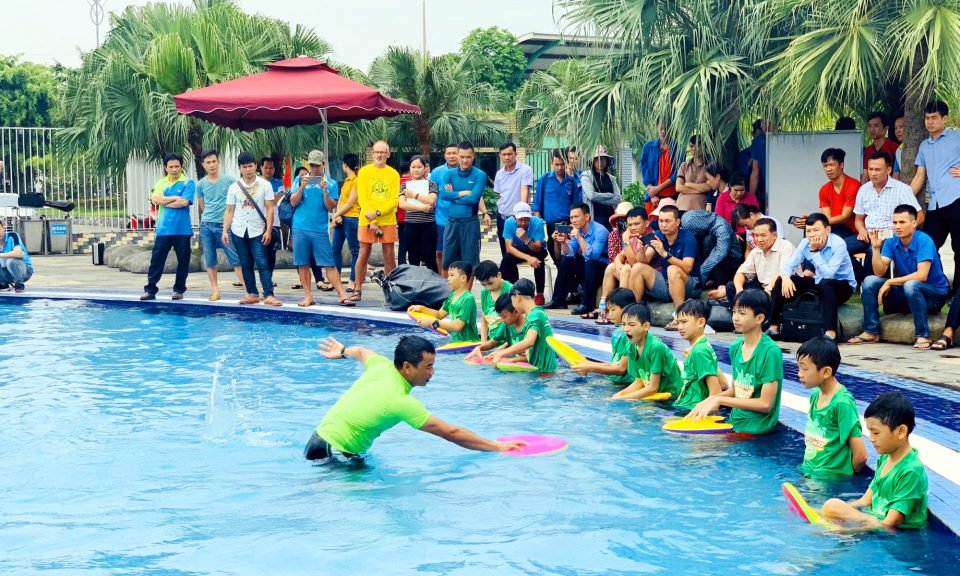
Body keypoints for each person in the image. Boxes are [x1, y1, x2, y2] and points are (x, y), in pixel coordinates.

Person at [305, 335, 526, 460]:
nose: (432, 372)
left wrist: (343, 350)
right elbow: (451, 433)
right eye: (428, 367)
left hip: (320, 442)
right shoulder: (400, 401)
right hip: (331, 456)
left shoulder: (381, 365)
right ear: (408, 367)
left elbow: (361, 351)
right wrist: (496, 447)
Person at [819, 392, 928, 530]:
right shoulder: (885, 458)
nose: (870, 438)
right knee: (831, 507)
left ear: (900, 432)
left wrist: (849, 531)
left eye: (875, 432)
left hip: (898, 534)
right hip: (875, 521)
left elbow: (891, 523)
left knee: (833, 505)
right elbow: (864, 501)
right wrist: (823, 511)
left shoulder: (912, 471)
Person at [849, 204, 949, 349]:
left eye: (902, 222)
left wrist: (890, 282)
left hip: (934, 296)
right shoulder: (892, 239)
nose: (897, 227)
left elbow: (921, 276)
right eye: (895, 222)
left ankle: (923, 335)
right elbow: (879, 272)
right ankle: (871, 331)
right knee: (870, 281)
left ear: (914, 223)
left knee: (911, 284)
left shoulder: (924, 240)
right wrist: (876, 249)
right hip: (909, 292)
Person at [688, 290, 783, 434]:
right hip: (735, 421)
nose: (735, 318)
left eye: (742, 313)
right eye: (734, 312)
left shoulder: (770, 352)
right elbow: (735, 391)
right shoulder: (736, 347)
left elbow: (765, 404)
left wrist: (720, 401)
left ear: (759, 318)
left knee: (702, 448)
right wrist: (711, 399)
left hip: (756, 426)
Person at [768, 213, 857, 340]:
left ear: (827, 230)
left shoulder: (839, 244)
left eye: (816, 230)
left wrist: (814, 251)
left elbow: (829, 274)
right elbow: (789, 265)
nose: (812, 235)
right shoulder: (805, 243)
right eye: (808, 231)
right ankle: (774, 327)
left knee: (826, 283)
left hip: (842, 286)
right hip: (819, 282)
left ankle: (830, 333)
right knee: (782, 279)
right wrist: (786, 277)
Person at [796, 337, 868, 480]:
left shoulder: (842, 404)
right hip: (811, 472)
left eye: (804, 368)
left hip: (829, 479)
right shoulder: (816, 394)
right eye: (799, 367)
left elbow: (861, 455)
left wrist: (842, 476)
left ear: (826, 372)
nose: (799, 373)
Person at [290, 150, 351, 308]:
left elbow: (331, 208)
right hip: (300, 227)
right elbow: (293, 202)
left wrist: (325, 192)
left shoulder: (330, 183)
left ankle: (342, 294)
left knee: (328, 263)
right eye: (312, 165)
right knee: (303, 263)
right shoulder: (299, 180)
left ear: (324, 164)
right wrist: (302, 187)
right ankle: (308, 296)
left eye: (317, 165)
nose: (315, 168)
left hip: (319, 229)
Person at [910, 100, 960, 292]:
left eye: (934, 118)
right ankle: (940, 286)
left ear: (944, 119)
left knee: (959, 249)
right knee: (928, 245)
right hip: (935, 205)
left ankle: (957, 293)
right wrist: (903, 198)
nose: (930, 122)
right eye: (927, 118)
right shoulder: (924, 146)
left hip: (956, 199)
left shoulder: (956, 137)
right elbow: (920, 176)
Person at [221, 152, 281, 306]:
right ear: (240, 168)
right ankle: (252, 293)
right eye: (244, 166)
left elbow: (269, 209)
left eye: (250, 166)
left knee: (262, 262)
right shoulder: (234, 187)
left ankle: (269, 294)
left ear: (255, 166)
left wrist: (268, 230)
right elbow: (229, 210)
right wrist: (224, 231)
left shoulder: (265, 185)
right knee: (245, 263)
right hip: (238, 229)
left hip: (258, 229)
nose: (248, 169)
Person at [854, 150, 923, 275]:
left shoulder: (902, 189)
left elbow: (920, 217)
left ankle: (871, 284)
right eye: (870, 169)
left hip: (888, 234)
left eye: (877, 170)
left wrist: (897, 231)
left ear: (888, 170)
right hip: (868, 234)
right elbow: (858, 219)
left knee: (872, 251)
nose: (873, 173)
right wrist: (861, 230)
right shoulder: (863, 189)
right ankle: (860, 279)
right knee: (840, 246)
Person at [634, 203, 702, 328]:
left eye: (667, 221)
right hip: (667, 284)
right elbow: (644, 261)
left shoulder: (688, 238)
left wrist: (665, 254)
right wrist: (642, 251)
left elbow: (688, 268)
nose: (663, 225)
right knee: (637, 268)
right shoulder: (658, 235)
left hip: (690, 285)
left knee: (673, 269)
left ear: (677, 222)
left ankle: (679, 317)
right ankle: (635, 313)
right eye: (660, 221)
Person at [141, 153, 195, 301]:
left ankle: (179, 290)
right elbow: (155, 199)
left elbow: (184, 203)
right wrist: (175, 198)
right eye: (171, 166)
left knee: (183, 261)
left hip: (182, 229)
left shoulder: (188, 183)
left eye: (177, 166)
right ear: (166, 168)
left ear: (181, 167)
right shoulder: (161, 183)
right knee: (157, 260)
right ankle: (150, 289)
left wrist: (165, 201)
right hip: (163, 228)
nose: (174, 169)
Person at [708, 218, 795, 310]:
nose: (759, 239)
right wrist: (739, 291)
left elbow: (783, 271)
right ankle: (740, 315)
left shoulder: (786, 246)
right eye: (756, 235)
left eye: (763, 235)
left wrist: (769, 289)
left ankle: (767, 319)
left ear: (774, 235)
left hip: (781, 288)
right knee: (731, 286)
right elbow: (741, 272)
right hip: (763, 288)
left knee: (779, 286)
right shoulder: (756, 251)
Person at [809, 149, 868, 279]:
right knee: (811, 235)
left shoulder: (853, 185)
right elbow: (827, 218)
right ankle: (810, 271)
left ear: (841, 165)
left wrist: (815, 223)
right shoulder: (824, 189)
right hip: (835, 228)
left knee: (832, 246)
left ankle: (860, 275)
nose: (828, 169)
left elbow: (844, 217)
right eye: (825, 166)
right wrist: (814, 224)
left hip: (851, 230)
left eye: (832, 165)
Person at [354, 141, 401, 301]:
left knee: (389, 255)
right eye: (377, 152)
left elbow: (394, 200)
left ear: (388, 154)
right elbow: (363, 197)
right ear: (372, 154)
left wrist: (378, 213)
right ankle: (357, 288)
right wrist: (371, 219)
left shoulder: (393, 174)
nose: (380, 155)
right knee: (363, 253)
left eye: (383, 152)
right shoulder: (364, 172)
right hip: (366, 219)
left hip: (387, 218)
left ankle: (390, 290)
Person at [544, 202, 610, 315]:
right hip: (588, 268)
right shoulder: (577, 230)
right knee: (566, 261)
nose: (573, 220)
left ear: (587, 216)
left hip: (602, 269)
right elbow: (569, 253)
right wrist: (563, 242)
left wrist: (579, 238)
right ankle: (558, 300)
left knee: (591, 263)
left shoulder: (600, 231)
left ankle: (587, 304)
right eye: (571, 217)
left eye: (576, 216)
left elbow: (593, 255)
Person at [195, 149, 243, 302]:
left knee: (235, 258)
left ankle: (249, 290)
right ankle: (215, 291)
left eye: (213, 161)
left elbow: (237, 202)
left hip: (226, 226)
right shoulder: (200, 184)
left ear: (218, 162)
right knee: (210, 260)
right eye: (208, 162)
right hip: (207, 225)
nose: (211, 165)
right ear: (203, 165)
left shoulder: (229, 180)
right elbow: (202, 206)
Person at [609, 301, 683, 401]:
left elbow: (653, 388)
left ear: (646, 326)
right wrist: (616, 396)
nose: (626, 329)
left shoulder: (655, 348)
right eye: (623, 324)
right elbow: (638, 382)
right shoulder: (631, 346)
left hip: (672, 397)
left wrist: (622, 398)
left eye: (631, 325)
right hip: (656, 394)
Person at [488, 279, 558, 374]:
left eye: (512, 300)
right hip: (543, 370)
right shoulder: (539, 311)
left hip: (543, 372)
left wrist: (502, 353)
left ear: (517, 297)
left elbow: (529, 341)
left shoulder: (534, 315)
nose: (513, 305)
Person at [571, 288, 637, 385]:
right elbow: (614, 364)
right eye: (608, 310)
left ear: (627, 309)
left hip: (627, 384)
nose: (610, 313)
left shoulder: (631, 336)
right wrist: (587, 362)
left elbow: (621, 369)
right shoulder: (616, 334)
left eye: (613, 309)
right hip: (616, 380)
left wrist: (590, 368)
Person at [440, 141, 489, 269]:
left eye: (468, 157)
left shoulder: (480, 175)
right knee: (449, 262)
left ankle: (467, 290)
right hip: (451, 222)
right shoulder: (449, 174)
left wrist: (454, 196)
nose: (465, 160)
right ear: (457, 156)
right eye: (462, 157)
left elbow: (473, 199)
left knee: (470, 262)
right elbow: (443, 195)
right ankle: (452, 289)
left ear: (473, 156)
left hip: (470, 223)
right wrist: (461, 193)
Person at [408, 261, 481, 343]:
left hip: (469, 343)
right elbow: (439, 315)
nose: (448, 278)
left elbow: (457, 327)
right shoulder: (453, 295)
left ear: (463, 278)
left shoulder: (468, 299)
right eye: (448, 275)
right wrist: (422, 308)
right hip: (456, 342)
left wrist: (432, 322)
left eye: (452, 275)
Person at [533, 149, 582, 265]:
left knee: (568, 257)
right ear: (551, 163)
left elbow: (575, 206)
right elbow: (537, 205)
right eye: (556, 164)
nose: (560, 167)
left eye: (562, 164)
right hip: (550, 225)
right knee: (556, 257)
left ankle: (566, 282)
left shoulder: (572, 182)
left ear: (567, 163)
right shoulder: (544, 180)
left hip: (567, 224)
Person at [601, 206, 657, 306]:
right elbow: (620, 256)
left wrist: (626, 241)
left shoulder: (652, 237)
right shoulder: (634, 236)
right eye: (630, 225)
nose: (633, 228)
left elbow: (635, 263)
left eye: (637, 224)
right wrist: (618, 263)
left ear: (647, 223)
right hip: (633, 276)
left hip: (648, 279)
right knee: (611, 267)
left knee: (627, 268)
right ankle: (603, 306)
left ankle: (622, 307)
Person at [673, 299, 723, 409]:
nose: (679, 327)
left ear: (700, 322)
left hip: (691, 408)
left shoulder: (700, 351)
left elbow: (715, 392)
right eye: (678, 322)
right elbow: (724, 383)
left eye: (684, 322)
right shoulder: (700, 347)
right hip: (687, 405)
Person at [679, 209, 744, 289]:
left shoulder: (721, 227)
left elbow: (720, 253)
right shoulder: (696, 221)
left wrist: (701, 274)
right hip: (712, 256)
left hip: (732, 259)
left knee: (711, 251)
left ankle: (721, 285)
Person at [498, 202, 548, 303]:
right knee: (507, 259)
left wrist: (526, 239)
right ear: (514, 217)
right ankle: (512, 289)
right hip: (518, 249)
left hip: (534, 248)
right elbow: (509, 248)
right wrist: (527, 257)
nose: (524, 223)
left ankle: (540, 293)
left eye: (526, 219)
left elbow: (538, 247)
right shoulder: (509, 223)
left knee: (539, 260)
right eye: (520, 219)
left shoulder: (537, 222)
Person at [399, 155, 439, 272]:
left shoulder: (431, 184)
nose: (416, 170)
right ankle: (415, 285)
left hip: (428, 225)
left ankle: (434, 284)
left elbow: (431, 200)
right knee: (413, 258)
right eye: (413, 167)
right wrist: (422, 208)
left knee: (430, 257)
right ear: (410, 168)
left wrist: (414, 195)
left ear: (425, 168)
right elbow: (402, 204)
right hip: (410, 225)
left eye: (419, 167)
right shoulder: (405, 185)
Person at [493, 143, 534, 256]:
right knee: (506, 253)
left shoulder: (525, 170)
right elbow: (499, 195)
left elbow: (524, 191)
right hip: (502, 216)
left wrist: (521, 216)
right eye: (504, 154)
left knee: (523, 250)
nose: (507, 157)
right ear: (500, 156)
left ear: (515, 154)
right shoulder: (499, 174)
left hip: (517, 218)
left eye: (510, 154)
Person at [465, 293, 528, 362]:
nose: (502, 320)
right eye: (500, 317)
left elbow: (535, 357)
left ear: (515, 312)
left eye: (504, 317)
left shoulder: (529, 326)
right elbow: (493, 342)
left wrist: (510, 360)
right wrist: (480, 348)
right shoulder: (506, 325)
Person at [331, 153, 362, 292]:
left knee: (355, 250)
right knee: (335, 249)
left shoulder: (356, 180)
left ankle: (353, 280)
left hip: (352, 218)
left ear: (344, 164)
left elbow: (350, 203)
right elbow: (341, 200)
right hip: (342, 218)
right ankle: (335, 280)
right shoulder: (347, 181)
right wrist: (337, 215)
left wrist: (336, 215)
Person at [431, 144, 459, 274]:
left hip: (460, 217)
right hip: (441, 219)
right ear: (445, 156)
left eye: (454, 153)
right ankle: (442, 280)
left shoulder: (466, 171)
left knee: (457, 252)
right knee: (439, 252)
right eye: (449, 153)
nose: (452, 156)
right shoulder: (437, 172)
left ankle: (456, 279)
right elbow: (431, 192)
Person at [640, 123, 679, 211]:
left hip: (672, 195)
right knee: (650, 224)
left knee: (669, 223)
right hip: (653, 197)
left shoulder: (678, 148)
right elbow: (645, 173)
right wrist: (653, 194)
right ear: (657, 127)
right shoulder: (648, 147)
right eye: (661, 128)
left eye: (666, 129)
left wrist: (658, 188)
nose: (663, 131)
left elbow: (677, 173)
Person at [581, 145, 622, 228]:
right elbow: (591, 196)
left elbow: (618, 199)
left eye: (603, 159)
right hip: (594, 217)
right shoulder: (586, 176)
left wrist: (598, 198)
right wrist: (610, 195)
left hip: (610, 217)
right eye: (597, 159)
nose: (601, 162)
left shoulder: (611, 178)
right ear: (593, 161)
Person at [475, 260, 512, 343]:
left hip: (508, 343)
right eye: (484, 285)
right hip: (492, 343)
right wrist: (483, 345)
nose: (489, 287)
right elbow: (484, 321)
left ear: (499, 275)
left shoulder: (510, 291)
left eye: (491, 283)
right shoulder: (484, 292)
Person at [259, 156, 285, 277]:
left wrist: (264, 199)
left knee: (271, 253)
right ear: (260, 168)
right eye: (266, 167)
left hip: (274, 223)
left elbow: (279, 197)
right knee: (256, 252)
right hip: (257, 223)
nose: (268, 170)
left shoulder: (278, 183)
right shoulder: (256, 183)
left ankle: (268, 277)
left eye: (271, 168)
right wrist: (270, 199)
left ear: (274, 169)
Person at [861, 111, 900, 183]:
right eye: (869, 126)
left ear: (885, 128)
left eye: (876, 126)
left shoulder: (895, 149)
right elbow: (865, 176)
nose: (871, 130)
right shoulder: (867, 151)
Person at [675, 136, 711, 211]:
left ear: (704, 146)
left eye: (698, 146)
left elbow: (708, 187)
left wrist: (689, 184)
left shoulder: (710, 166)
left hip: (700, 207)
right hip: (682, 206)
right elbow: (678, 187)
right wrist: (700, 190)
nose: (694, 149)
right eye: (691, 146)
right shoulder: (684, 165)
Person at [0, 217, 33, 292]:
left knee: (11, 261)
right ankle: (3, 284)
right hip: (8, 273)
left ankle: (19, 285)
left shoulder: (13, 236)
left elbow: (18, 253)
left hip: (25, 271)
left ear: (3, 228)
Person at [749, 119, 768, 210]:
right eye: (763, 121)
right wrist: (751, 200)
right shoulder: (757, 142)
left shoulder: (785, 138)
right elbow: (755, 172)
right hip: (767, 192)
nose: (764, 124)